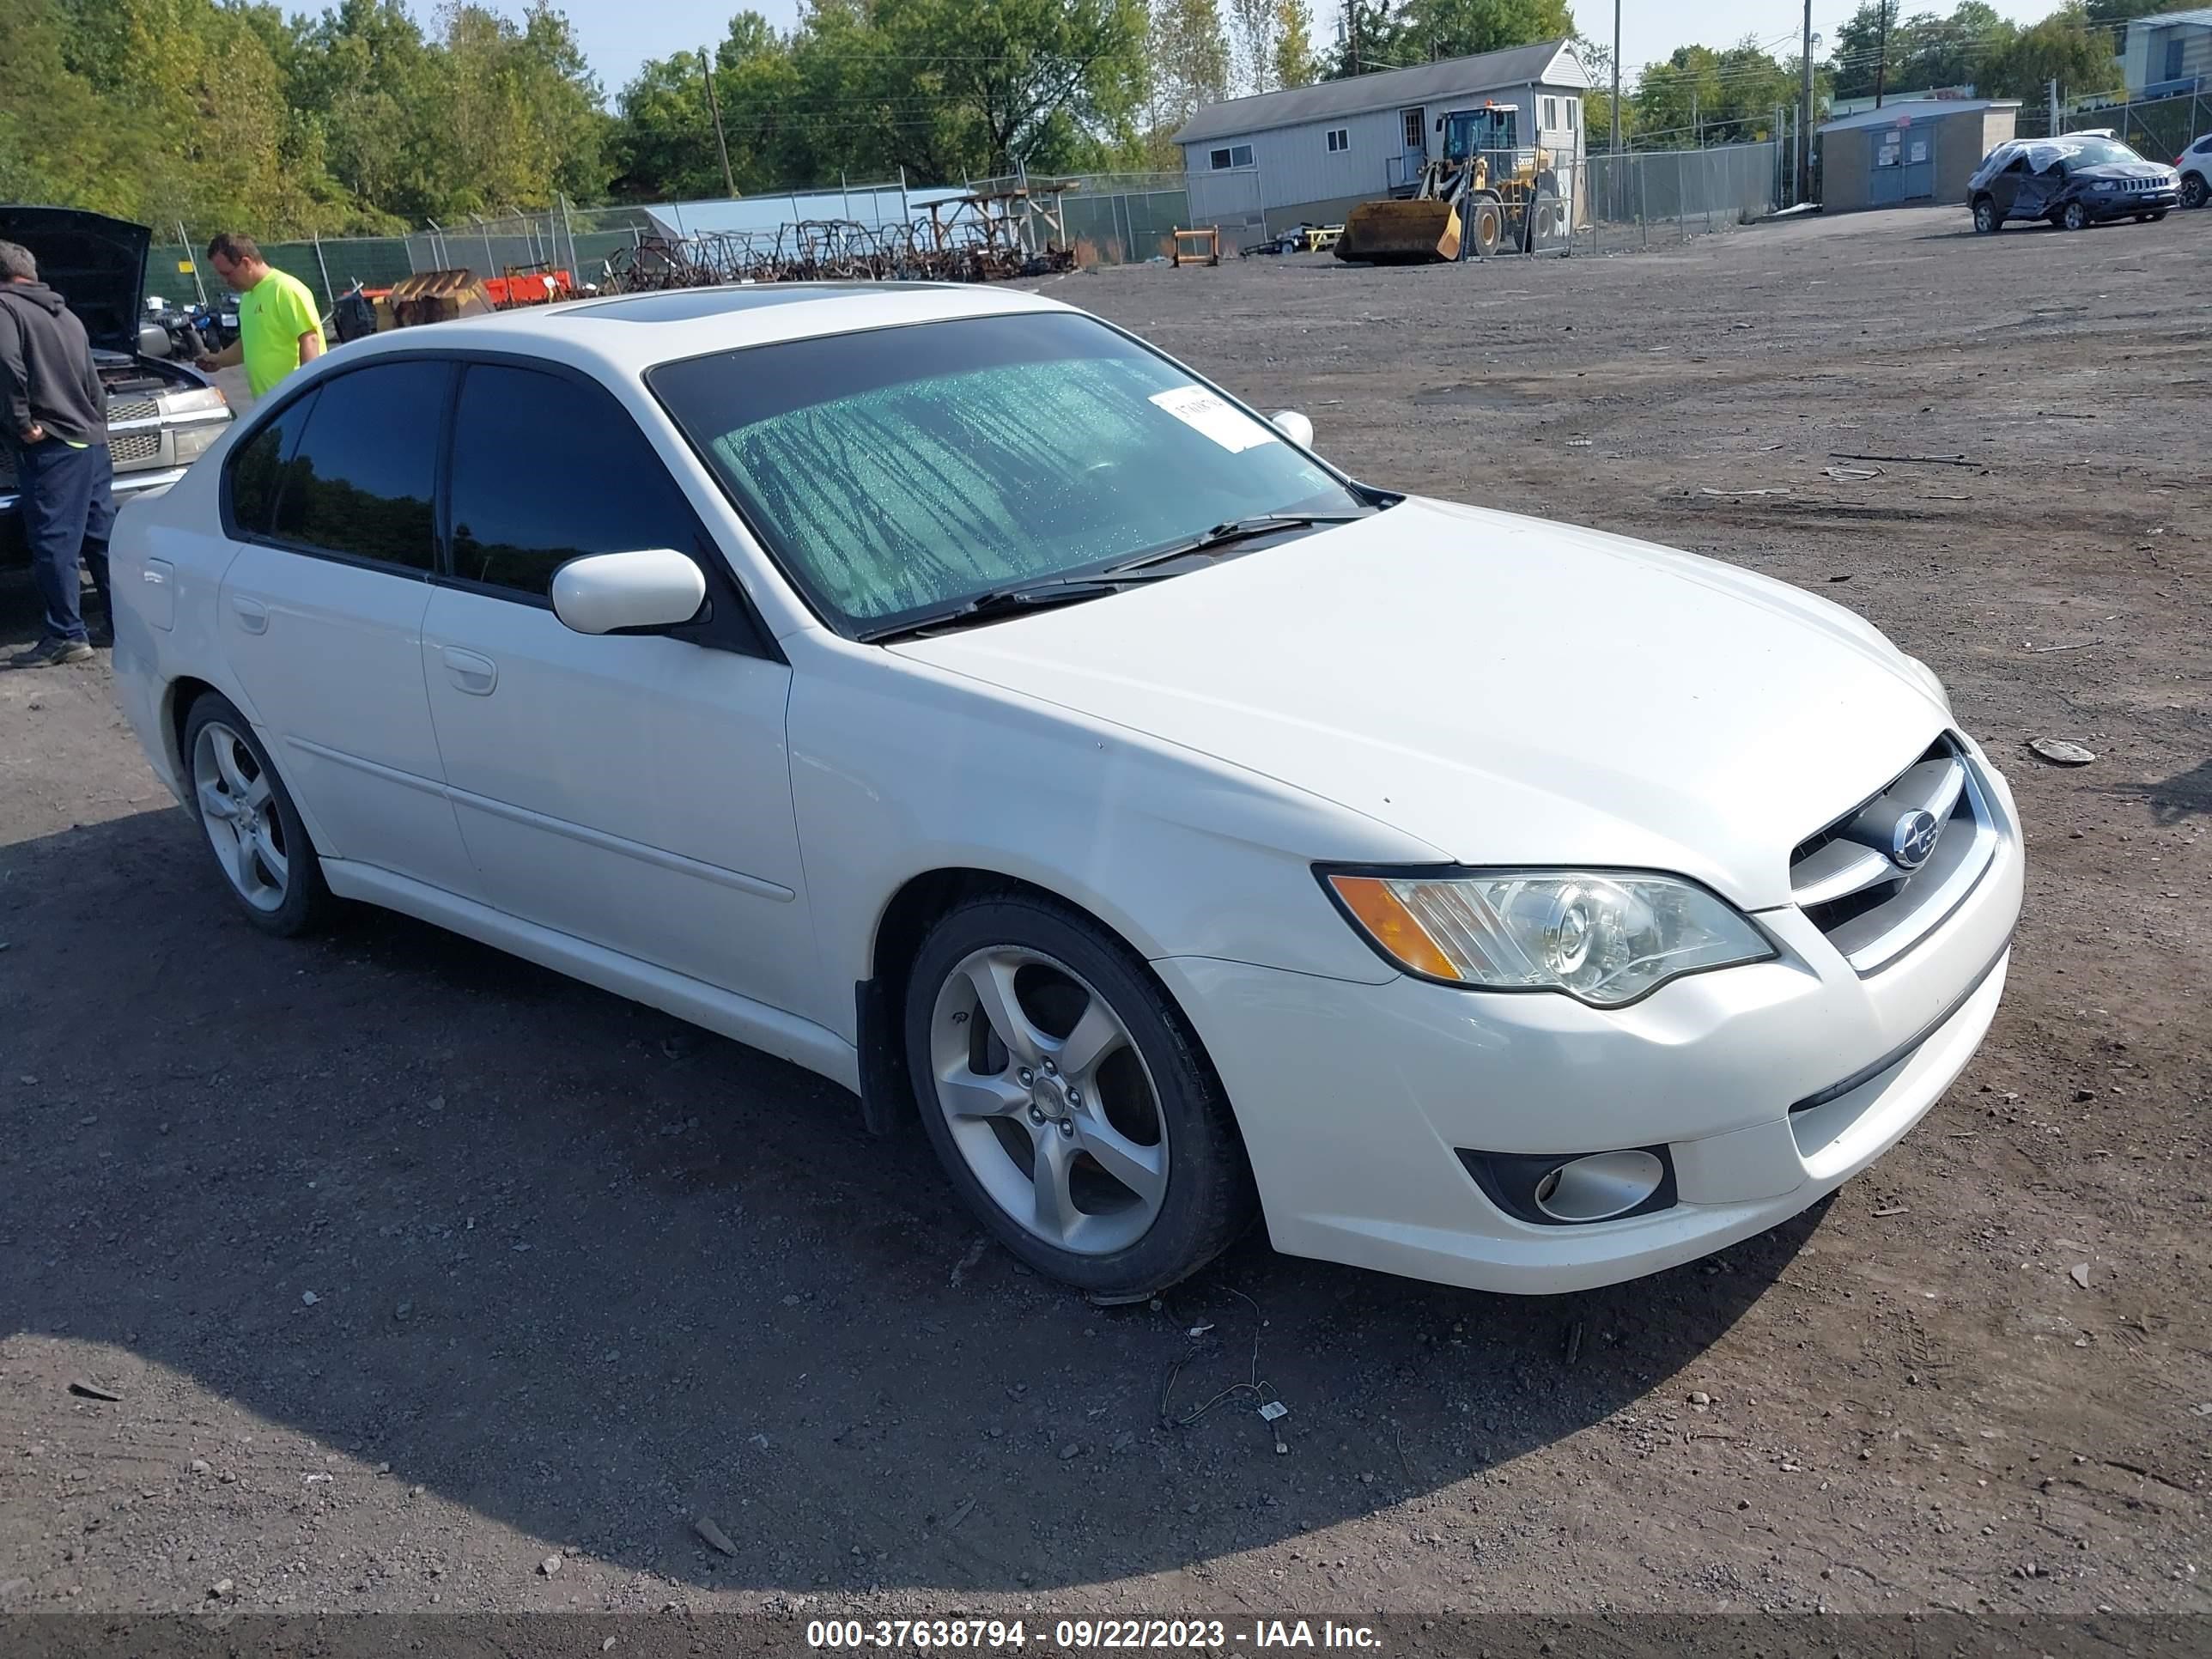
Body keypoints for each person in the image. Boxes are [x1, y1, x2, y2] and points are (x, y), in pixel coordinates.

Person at [0, 239, 116, 668]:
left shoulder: (5, 309)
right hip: (91, 442)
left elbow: (6, 363)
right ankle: (118, 623)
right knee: (100, 539)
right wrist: (94, 422)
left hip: (53, 445)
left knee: (54, 542)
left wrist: (22, 423)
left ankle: (66, 634)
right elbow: (92, 378)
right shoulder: (65, 313)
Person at [194, 232, 324, 399]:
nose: (225, 281)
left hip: (296, 403)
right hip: (270, 407)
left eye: (227, 273)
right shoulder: (248, 297)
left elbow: (310, 340)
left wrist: (308, 394)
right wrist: (217, 360)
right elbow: (248, 343)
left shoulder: (285, 289)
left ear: (246, 263)